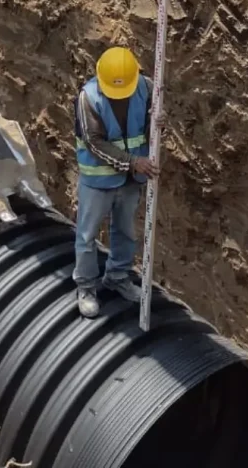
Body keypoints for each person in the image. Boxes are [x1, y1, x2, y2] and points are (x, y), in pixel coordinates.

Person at [73, 46, 159, 318]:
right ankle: (86, 286)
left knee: (125, 232)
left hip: (131, 180)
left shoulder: (146, 87)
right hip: (97, 181)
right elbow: (94, 142)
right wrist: (133, 162)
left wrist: (158, 123)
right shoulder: (88, 98)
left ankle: (118, 277)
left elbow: (147, 127)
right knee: (87, 237)